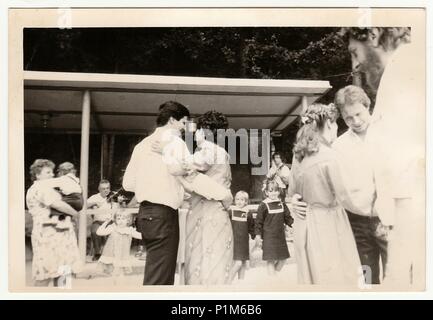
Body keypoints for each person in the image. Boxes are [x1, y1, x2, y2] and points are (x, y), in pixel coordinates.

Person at [343, 27, 424, 286]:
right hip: (362, 220)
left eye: (355, 52)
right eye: (348, 118)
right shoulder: (340, 146)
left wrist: (397, 276)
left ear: (375, 35)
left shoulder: (408, 71)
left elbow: (409, 177)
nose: (356, 64)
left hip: (404, 222)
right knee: (366, 276)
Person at [292, 85, 387, 284]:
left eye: (359, 114)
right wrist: (296, 199)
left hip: (390, 218)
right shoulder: (338, 146)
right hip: (357, 223)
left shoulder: (390, 136)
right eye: (348, 118)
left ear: (368, 106)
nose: (356, 121)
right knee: (366, 280)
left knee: (397, 278)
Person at [289, 104, 363, 285]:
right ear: (329, 124)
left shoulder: (299, 156)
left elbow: (292, 191)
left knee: (314, 276)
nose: (337, 128)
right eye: (336, 124)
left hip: (305, 223)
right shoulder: (330, 156)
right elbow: (347, 196)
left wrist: (294, 200)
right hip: (328, 222)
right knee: (336, 275)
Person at [122, 101, 191, 285]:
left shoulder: (141, 145)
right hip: (164, 215)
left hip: (145, 214)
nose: (184, 128)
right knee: (160, 279)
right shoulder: (176, 143)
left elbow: (128, 184)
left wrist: (149, 184)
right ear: (171, 120)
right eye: (183, 123)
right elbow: (189, 174)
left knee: (155, 269)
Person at [183, 111, 234, 285]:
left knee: (203, 259)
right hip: (218, 210)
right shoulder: (223, 153)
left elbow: (185, 167)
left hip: (206, 211)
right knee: (218, 258)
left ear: (205, 130)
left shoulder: (208, 149)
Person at [25, 159, 82, 286]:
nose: (52, 175)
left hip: (58, 233)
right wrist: (75, 213)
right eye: (48, 172)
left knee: (62, 271)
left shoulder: (47, 188)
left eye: (52, 172)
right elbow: (57, 204)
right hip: (49, 234)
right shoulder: (40, 188)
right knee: (46, 271)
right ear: (37, 175)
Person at [255, 180, 293, 276]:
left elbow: (287, 218)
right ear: (267, 192)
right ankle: (272, 279)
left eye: (276, 190)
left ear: (279, 192)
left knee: (283, 259)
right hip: (269, 237)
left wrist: (293, 225)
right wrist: (258, 236)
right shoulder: (263, 205)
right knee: (271, 259)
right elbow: (258, 222)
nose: (273, 193)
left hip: (280, 237)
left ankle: (273, 275)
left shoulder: (282, 204)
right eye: (271, 191)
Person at [95, 210, 142, 278]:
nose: (121, 221)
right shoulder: (112, 228)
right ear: (115, 220)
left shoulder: (130, 230)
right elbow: (99, 232)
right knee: (113, 274)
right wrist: (106, 222)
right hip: (111, 255)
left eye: (123, 218)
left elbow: (141, 236)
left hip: (122, 257)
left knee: (121, 275)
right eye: (118, 219)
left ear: (128, 220)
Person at [41, 162, 83, 232]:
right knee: (67, 210)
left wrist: (40, 182)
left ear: (62, 172)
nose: (58, 174)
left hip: (72, 197)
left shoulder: (63, 179)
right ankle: (67, 222)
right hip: (80, 201)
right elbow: (70, 189)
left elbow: (49, 183)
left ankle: (54, 219)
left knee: (57, 204)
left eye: (59, 172)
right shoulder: (75, 180)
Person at [87, 179, 116, 261]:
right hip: (98, 222)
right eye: (103, 189)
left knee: (116, 231)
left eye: (107, 188)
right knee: (94, 231)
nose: (106, 190)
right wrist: (94, 203)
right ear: (99, 189)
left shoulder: (113, 197)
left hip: (110, 222)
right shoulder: (95, 197)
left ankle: (111, 253)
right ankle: (97, 253)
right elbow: (84, 205)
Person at [229, 190, 255, 281]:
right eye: (237, 199)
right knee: (238, 263)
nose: (239, 202)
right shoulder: (231, 211)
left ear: (246, 201)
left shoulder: (248, 213)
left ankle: (241, 282)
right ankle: (228, 281)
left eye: (242, 200)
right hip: (235, 241)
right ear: (234, 200)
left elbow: (251, 227)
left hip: (244, 242)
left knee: (242, 263)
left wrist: (254, 236)